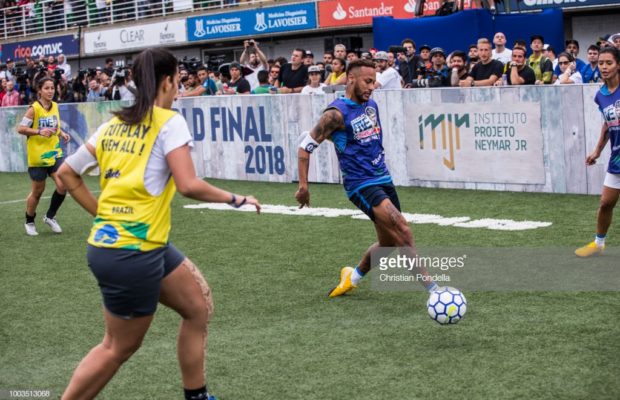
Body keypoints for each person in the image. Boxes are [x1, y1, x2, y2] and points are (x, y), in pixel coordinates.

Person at [57, 48, 261, 399]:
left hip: (132, 245)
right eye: (178, 78)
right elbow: (188, 185)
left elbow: (66, 173)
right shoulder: (170, 120)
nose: (179, 85)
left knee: (197, 306)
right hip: (132, 252)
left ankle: (196, 395)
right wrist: (237, 198)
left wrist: (103, 215)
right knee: (117, 347)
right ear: (168, 80)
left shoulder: (112, 123)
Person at [295, 59, 439, 297]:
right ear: (351, 79)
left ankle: (351, 278)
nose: (373, 86)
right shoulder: (335, 115)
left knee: (389, 244)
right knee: (403, 230)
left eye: (374, 81)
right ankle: (435, 291)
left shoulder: (371, 104)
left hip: (383, 178)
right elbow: (305, 147)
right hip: (360, 184)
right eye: (368, 81)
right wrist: (303, 186)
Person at [575, 47, 620, 257]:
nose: (604, 67)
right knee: (605, 203)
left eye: (609, 63)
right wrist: (597, 151)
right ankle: (599, 243)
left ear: (618, 65)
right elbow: (607, 125)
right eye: (601, 63)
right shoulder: (600, 96)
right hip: (617, 158)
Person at [16, 77, 70, 236]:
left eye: (52, 88)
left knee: (63, 185)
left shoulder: (55, 106)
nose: (50, 91)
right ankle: (29, 220)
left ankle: (50, 216)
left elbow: (55, 126)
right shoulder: (33, 108)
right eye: (47, 88)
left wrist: (62, 133)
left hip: (54, 153)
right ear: (40, 90)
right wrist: (39, 131)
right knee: (38, 192)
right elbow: (20, 128)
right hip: (38, 157)